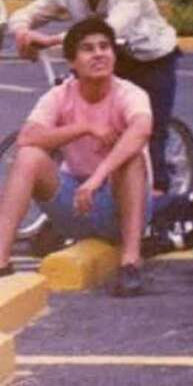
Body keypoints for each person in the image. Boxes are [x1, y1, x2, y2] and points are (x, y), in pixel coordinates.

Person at [9, 0, 178, 194]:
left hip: (151, 58)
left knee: (148, 127)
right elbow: (27, 12)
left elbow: (109, 30)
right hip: (111, 53)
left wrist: (52, 40)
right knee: (83, 109)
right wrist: (22, 31)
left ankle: (157, 196)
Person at [0, 17, 152, 296]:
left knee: (132, 160)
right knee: (29, 157)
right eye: (88, 48)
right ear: (72, 62)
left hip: (121, 204)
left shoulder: (130, 94)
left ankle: (130, 263)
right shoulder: (60, 96)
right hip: (77, 203)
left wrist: (97, 178)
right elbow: (27, 137)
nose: (98, 54)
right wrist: (84, 127)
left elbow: (141, 131)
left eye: (105, 47)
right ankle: (1, 260)